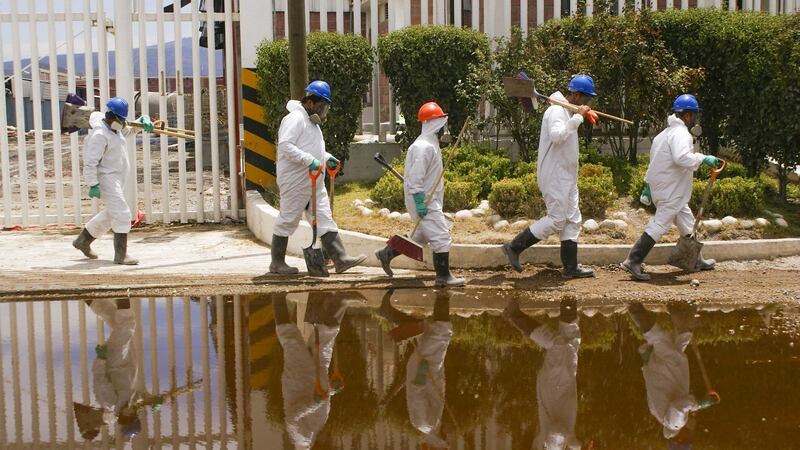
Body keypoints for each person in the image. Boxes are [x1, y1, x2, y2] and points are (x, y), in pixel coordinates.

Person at [502, 75, 598, 279]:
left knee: (573, 219)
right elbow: (557, 136)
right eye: (586, 100)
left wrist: (580, 115)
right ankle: (514, 247)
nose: (587, 104)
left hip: (567, 176)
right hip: (554, 175)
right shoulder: (556, 111)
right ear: (576, 95)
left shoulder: (566, 110)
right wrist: (578, 117)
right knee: (556, 220)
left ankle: (570, 268)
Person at [269, 80, 366, 275]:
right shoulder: (295, 118)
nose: (325, 110)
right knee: (288, 219)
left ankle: (340, 259)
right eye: (323, 105)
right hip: (296, 182)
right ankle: (276, 263)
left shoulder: (312, 123)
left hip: (313, 182)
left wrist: (327, 158)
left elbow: (310, 148)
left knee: (324, 218)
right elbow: (286, 146)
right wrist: (309, 160)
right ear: (311, 102)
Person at [621, 95, 722, 281]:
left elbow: (655, 163)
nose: (695, 119)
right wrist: (703, 158)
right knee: (659, 225)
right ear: (688, 115)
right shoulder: (681, 134)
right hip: (672, 191)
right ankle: (633, 260)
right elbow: (681, 158)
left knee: (687, 223)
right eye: (695, 115)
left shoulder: (663, 135)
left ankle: (696, 260)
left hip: (667, 189)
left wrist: (647, 184)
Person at [374, 102, 465, 287]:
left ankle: (387, 253)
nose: (443, 127)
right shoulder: (424, 147)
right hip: (423, 199)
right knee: (441, 236)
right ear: (433, 123)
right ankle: (443, 277)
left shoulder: (430, 143)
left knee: (422, 235)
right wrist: (419, 201)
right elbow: (416, 178)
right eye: (440, 122)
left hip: (428, 198)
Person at [72, 97, 153, 265]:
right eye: (121, 119)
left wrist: (140, 122)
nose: (123, 122)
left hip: (116, 177)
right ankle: (121, 255)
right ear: (110, 116)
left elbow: (128, 131)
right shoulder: (100, 135)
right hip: (106, 178)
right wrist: (92, 183)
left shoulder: (114, 128)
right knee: (123, 213)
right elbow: (90, 162)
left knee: (112, 213)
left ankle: (83, 241)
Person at [627, 302, 719, 449]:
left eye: (689, 438)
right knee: (680, 341)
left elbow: (678, 407)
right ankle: (680, 310)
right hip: (664, 369)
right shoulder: (660, 417)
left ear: (680, 440)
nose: (691, 434)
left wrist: (702, 404)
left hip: (669, 368)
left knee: (658, 338)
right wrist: (646, 363)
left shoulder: (676, 423)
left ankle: (634, 308)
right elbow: (651, 388)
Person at [503, 297, 584, 449]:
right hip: (565, 382)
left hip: (555, 387)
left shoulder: (551, 446)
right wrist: (573, 444)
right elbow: (576, 443)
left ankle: (515, 316)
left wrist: (568, 441)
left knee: (557, 344)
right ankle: (568, 303)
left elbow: (556, 430)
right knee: (571, 340)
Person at [378, 289, 453, 449]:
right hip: (430, 367)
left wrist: (421, 370)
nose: (449, 434)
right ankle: (388, 312)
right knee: (428, 330)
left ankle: (443, 292)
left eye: (447, 437)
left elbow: (417, 392)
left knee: (442, 332)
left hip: (426, 367)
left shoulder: (426, 424)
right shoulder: (429, 425)